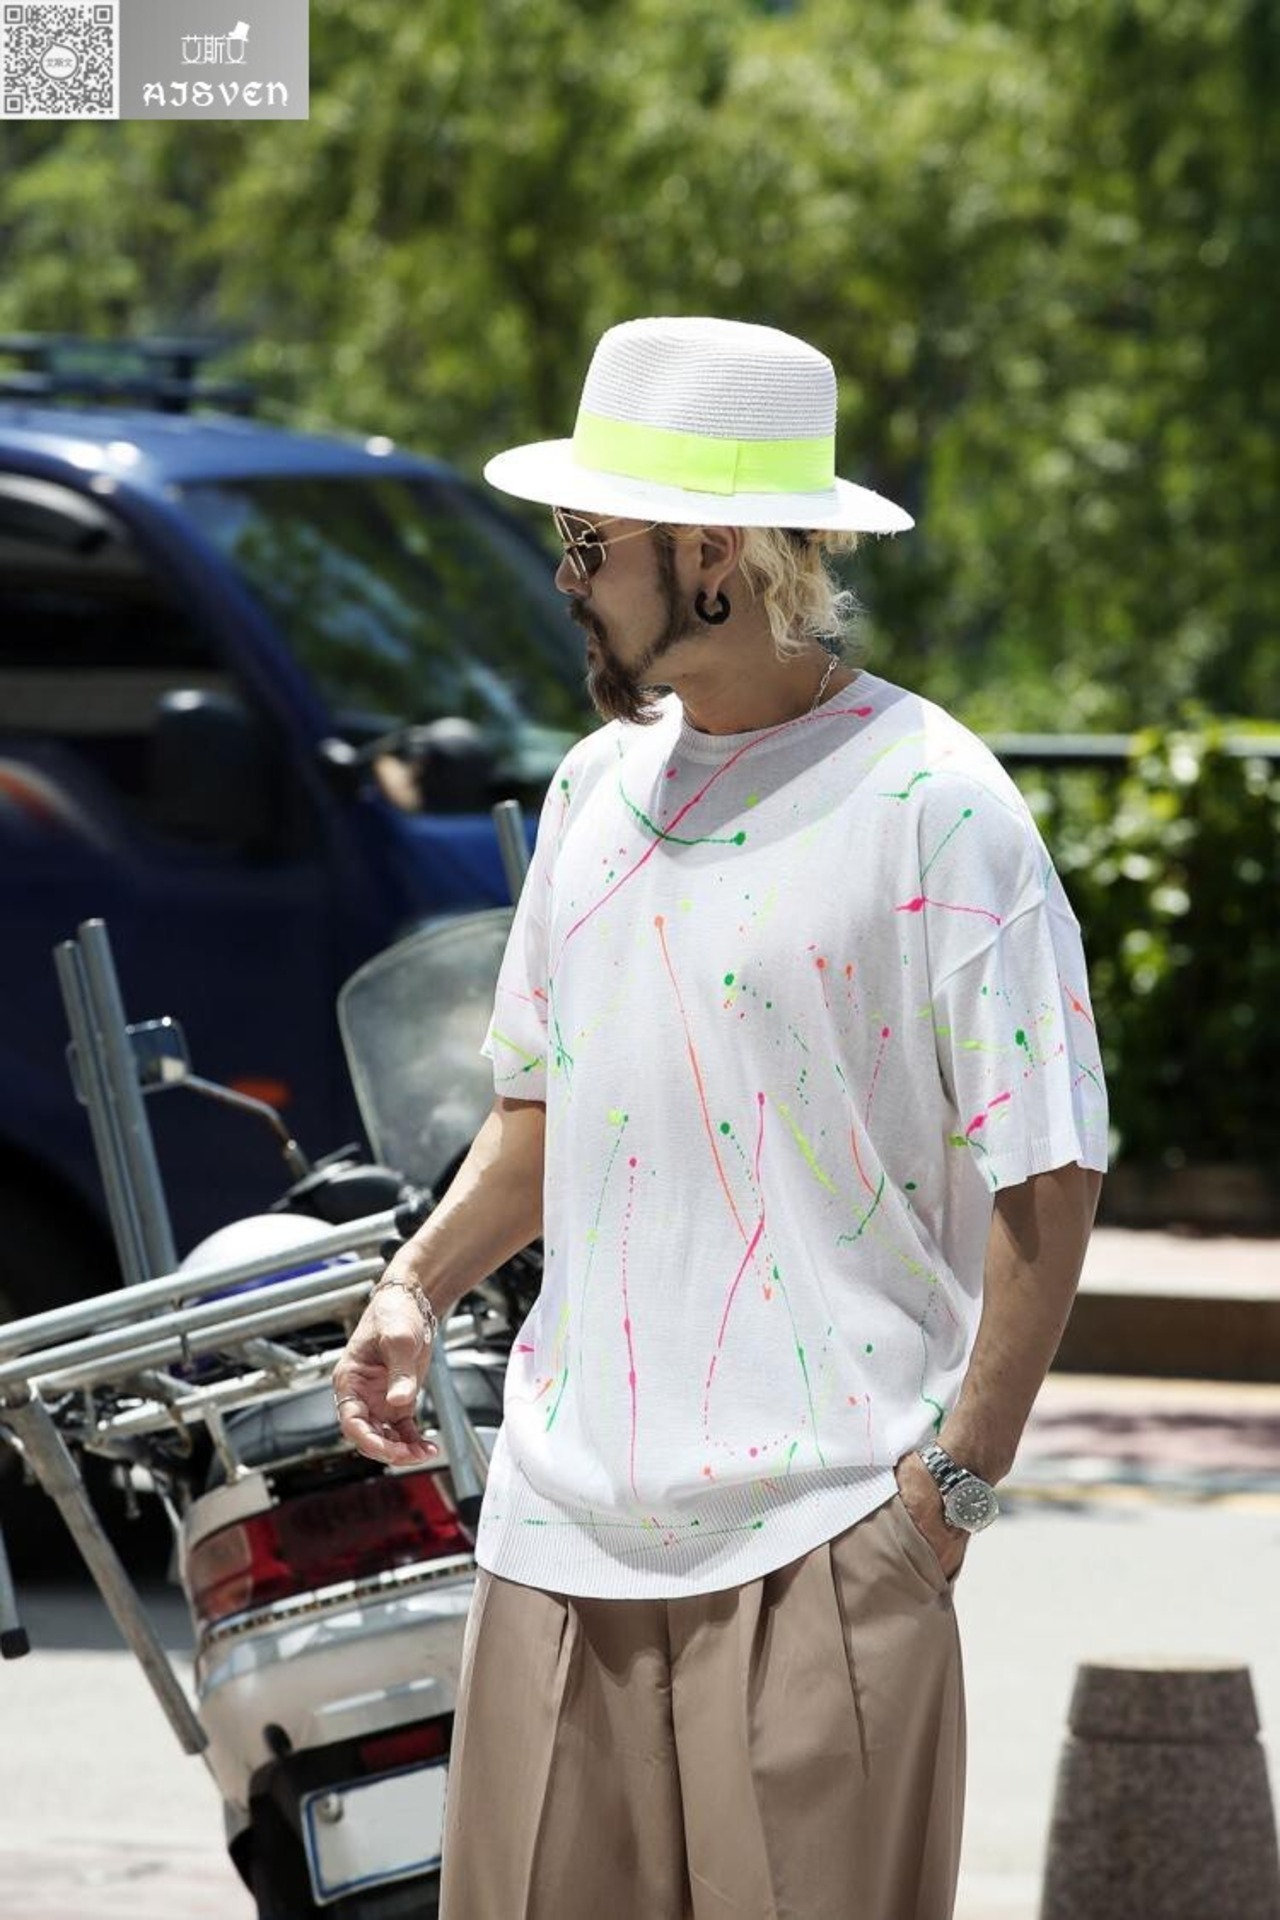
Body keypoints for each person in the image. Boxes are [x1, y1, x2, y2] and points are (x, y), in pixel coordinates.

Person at [332, 316, 1108, 1920]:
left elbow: (1050, 1161)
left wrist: (953, 1489)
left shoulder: (935, 801)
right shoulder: (590, 791)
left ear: (711, 554)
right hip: (554, 1537)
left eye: (589, 540)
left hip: (828, 1536)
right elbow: (543, 1109)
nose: (566, 576)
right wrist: (416, 1284)